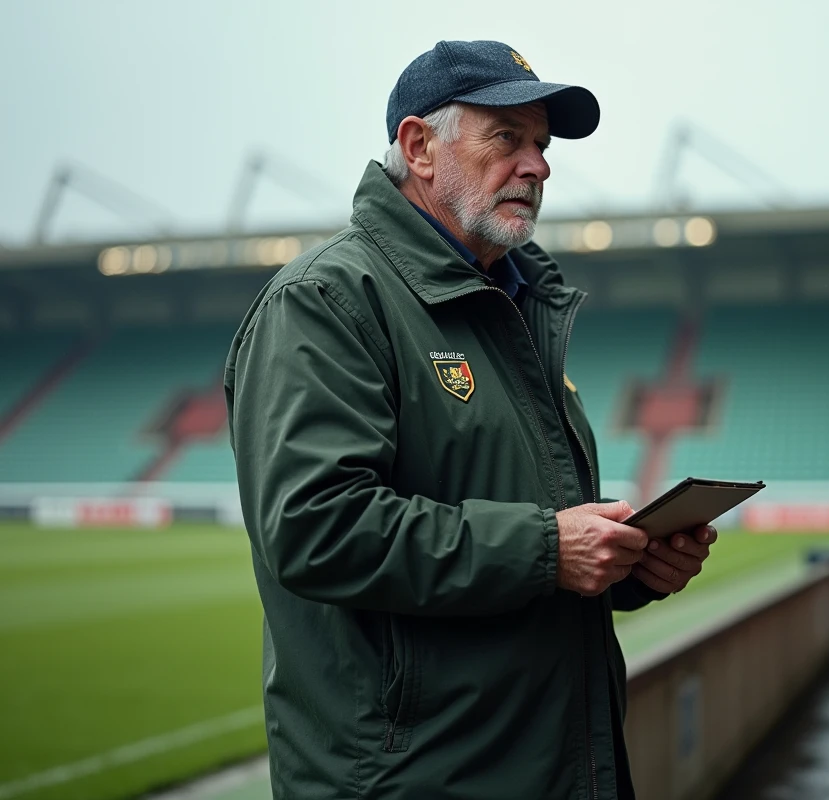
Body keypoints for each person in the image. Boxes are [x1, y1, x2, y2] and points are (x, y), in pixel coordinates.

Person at [225, 39, 717, 799]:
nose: (539, 166)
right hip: (418, 781)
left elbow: (539, 542)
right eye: (507, 139)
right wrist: (546, 550)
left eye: (543, 146)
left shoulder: (521, 309)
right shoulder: (327, 300)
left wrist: (628, 569)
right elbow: (315, 527)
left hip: (553, 770)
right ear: (419, 147)